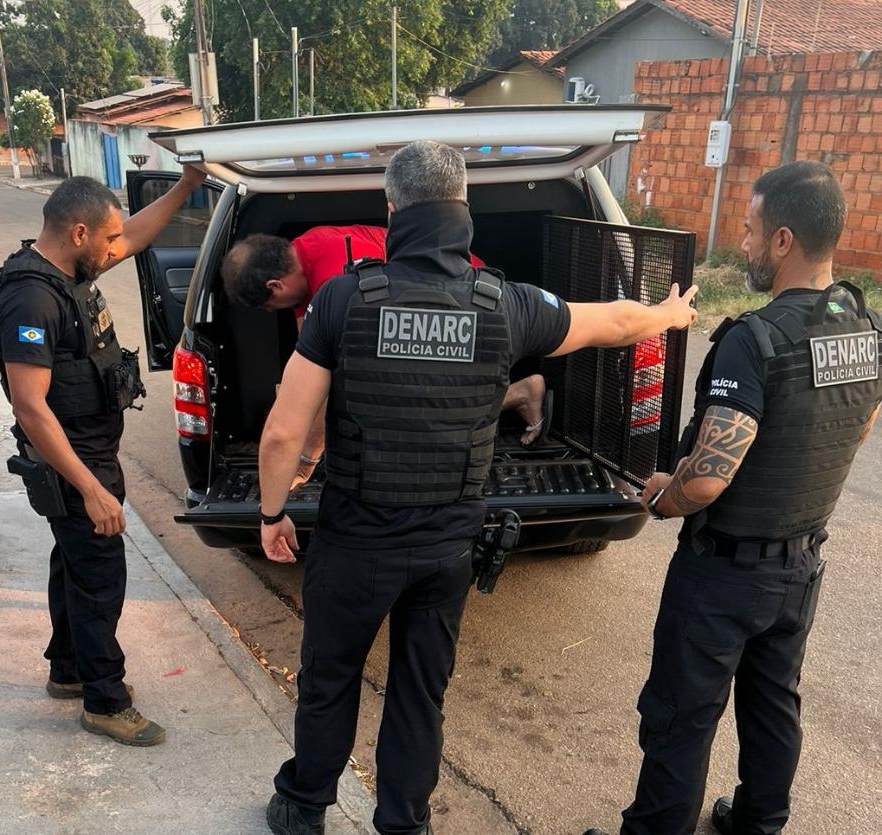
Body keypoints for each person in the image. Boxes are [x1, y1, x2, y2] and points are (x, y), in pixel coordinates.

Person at [257, 140, 698, 835]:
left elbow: (284, 433)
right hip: (447, 547)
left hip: (356, 542)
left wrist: (272, 512)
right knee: (419, 694)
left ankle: (303, 806)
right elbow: (612, 321)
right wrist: (669, 316)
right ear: (463, 205)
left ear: (392, 209)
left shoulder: (343, 298)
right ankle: (405, 823)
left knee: (329, 679)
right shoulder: (506, 304)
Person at [584, 162, 882, 835]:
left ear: (783, 239)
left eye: (749, 230)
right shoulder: (864, 327)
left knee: (681, 716)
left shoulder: (756, 339)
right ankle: (758, 822)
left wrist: (663, 497)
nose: (742, 244)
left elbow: (708, 478)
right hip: (801, 565)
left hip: (723, 574)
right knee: (773, 704)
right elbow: (859, 425)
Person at [0, 170, 207, 746]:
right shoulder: (31, 298)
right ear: (79, 233)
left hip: (89, 452)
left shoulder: (68, 268)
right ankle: (106, 701)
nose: (115, 250)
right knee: (101, 580)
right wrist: (91, 489)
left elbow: (135, 236)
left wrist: (187, 186)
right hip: (72, 463)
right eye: (107, 239)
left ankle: (69, 669)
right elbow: (31, 407)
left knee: (75, 565)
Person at [221, 224, 548, 456]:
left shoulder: (334, 276)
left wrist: (305, 456)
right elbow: (308, 360)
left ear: (276, 286)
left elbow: (328, 380)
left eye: (270, 306)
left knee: (398, 402)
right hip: (420, 312)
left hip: (467, 311)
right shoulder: (302, 253)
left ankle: (520, 392)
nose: (274, 311)